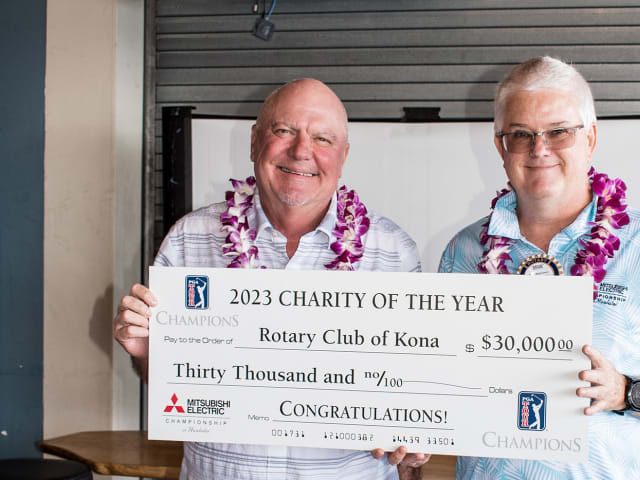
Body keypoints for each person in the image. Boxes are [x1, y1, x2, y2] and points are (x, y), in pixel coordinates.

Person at [114, 78, 430, 479]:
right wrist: (145, 352)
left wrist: (418, 438)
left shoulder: (393, 251)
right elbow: (166, 377)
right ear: (253, 142)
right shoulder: (189, 238)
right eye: (284, 131)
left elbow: (412, 391)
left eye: (323, 139)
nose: (301, 151)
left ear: (343, 155)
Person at [439, 57, 640, 479]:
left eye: (559, 132)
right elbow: (445, 380)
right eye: (520, 134)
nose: (540, 149)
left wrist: (626, 392)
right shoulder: (463, 251)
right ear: (501, 146)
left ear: (590, 138)